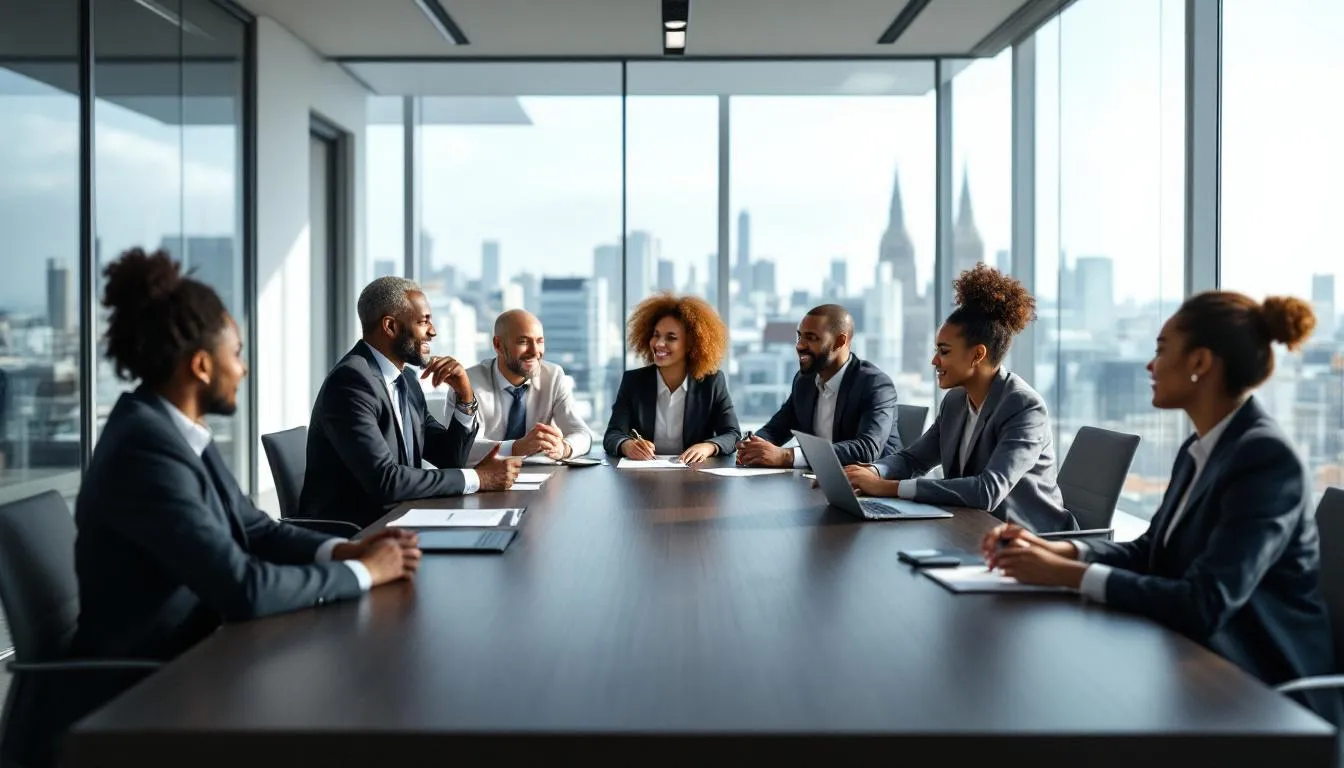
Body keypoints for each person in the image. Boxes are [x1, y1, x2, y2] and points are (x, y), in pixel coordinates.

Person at [55, 250, 421, 763]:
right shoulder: (145, 449)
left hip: (201, 654)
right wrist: (365, 573)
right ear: (202, 365)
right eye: (238, 353)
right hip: (146, 692)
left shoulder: (174, 431)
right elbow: (242, 586)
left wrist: (346, 552)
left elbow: (257, 529)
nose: (244, 369)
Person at [983, 291, 1338, 721]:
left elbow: (1205, 603)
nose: (1150, 366)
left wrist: (1066, 575)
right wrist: (1055, 550)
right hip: (1199, 665)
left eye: (1161, 349)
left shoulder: (1266, 459)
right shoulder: (1202, 446)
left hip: (1265, 695)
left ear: (1200, 363)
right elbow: (1151, 551)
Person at [844, 265, 1075, 533]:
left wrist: (889, 488)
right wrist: (873, 472)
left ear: (977, 354)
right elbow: (913, 460)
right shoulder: (955, 401)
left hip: (1032, 542)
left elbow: (987, 491)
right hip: (972, 530)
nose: (934, 360)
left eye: (944, 351)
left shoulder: (1024, 407)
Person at [303, 277, 520, 528]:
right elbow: (386, 481)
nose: (433, 331)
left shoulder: (405, 379)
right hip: (358, 533)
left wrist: (465, 397)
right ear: (390, 326)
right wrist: (479, 479)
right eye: (423, 321)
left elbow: (447, 460)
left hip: (403, 519)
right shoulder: (351, 382)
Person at [737, 304, 899, 468]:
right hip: (816, 482)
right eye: (800, 337)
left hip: (872, 486)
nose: (800, 346)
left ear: (839, 342)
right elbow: (776, 429)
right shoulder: (804, 381)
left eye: (812, 338)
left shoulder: (875, 384)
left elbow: (867, 449)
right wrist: (754, 446)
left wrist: (787, 456)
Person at [604, 294, 740, 464]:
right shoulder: (634, 382)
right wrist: (627, 445)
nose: (659, 344)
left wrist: (707, 447)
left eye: (671, 337)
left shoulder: (711, 383)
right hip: (642, 480)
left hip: (695, 480)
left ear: (691, 344)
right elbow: (612, 434)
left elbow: (732, 434)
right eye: (656, 335)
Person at [449, 309, 593, 465]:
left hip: (541, 479)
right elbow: (461, 448)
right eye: (523, 342)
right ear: (498, 345)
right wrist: (515, 448)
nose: (534, 351)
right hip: (483, 480)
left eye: (539, 341)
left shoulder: (553, 376)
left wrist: (564, 448)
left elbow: (582, 433)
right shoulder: (467, 384)